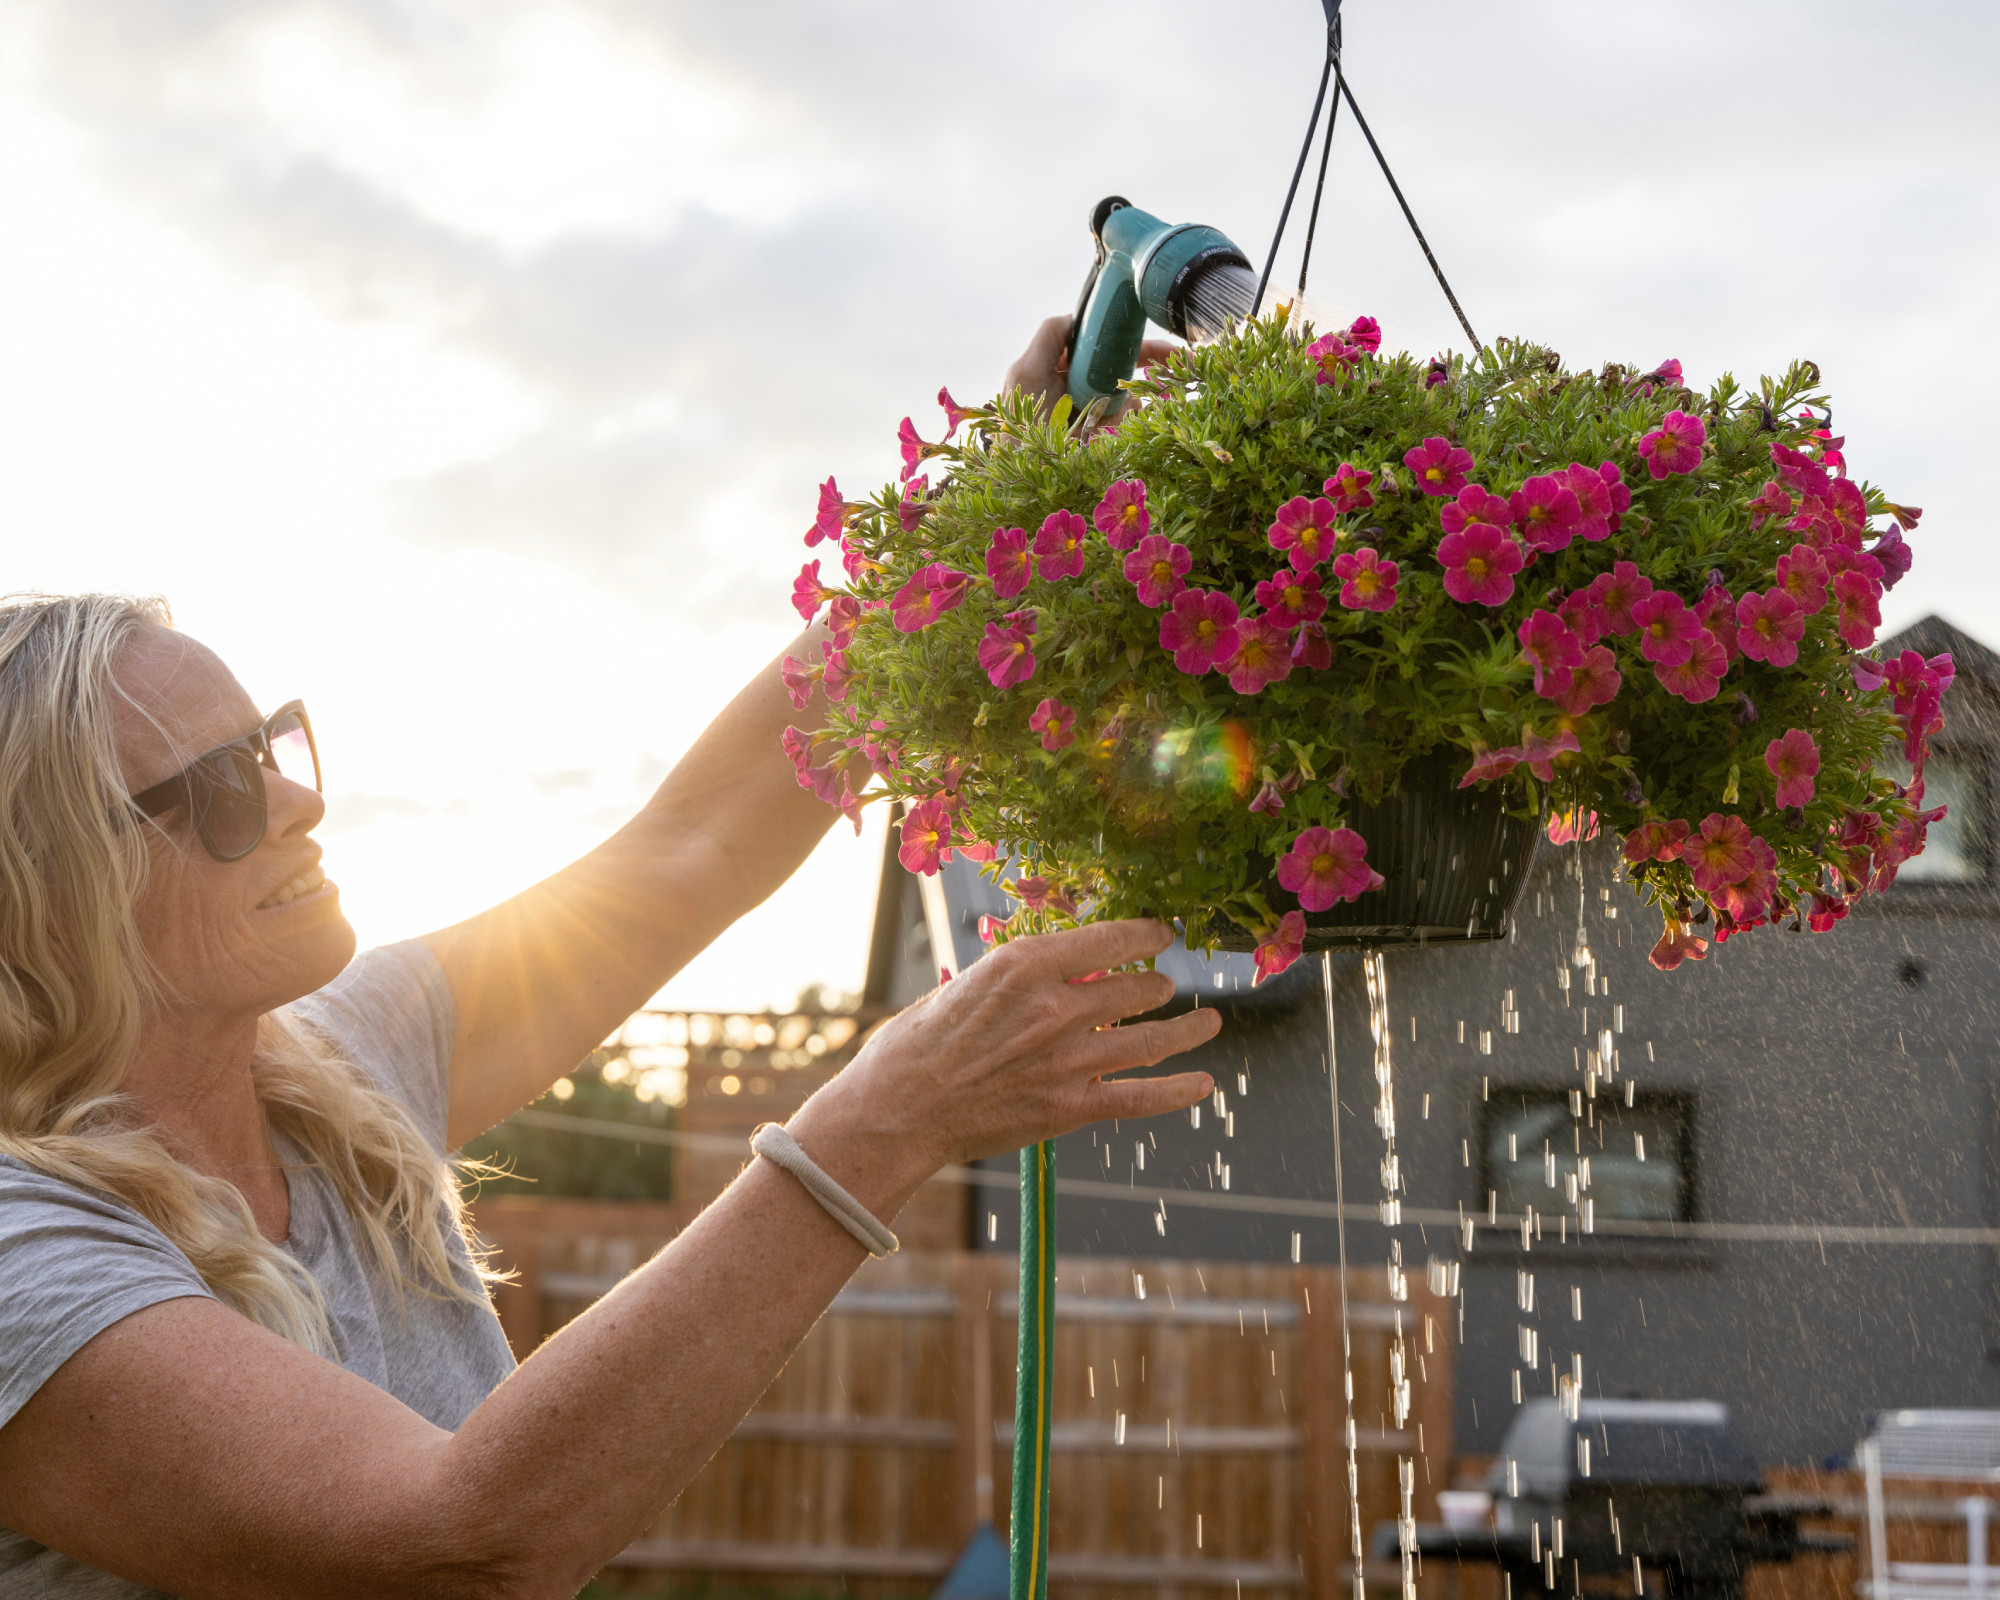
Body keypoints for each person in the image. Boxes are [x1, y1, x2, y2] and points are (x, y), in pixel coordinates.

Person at [0, 320, 1216, 1598]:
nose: (296, 805)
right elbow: (463, 1545)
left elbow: (689, 847)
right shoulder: (27, 1248)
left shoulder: (335, 1064)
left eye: (274, 746)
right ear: (54, 889)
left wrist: (977, 522)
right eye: (218, 792)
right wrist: (873, 1126)